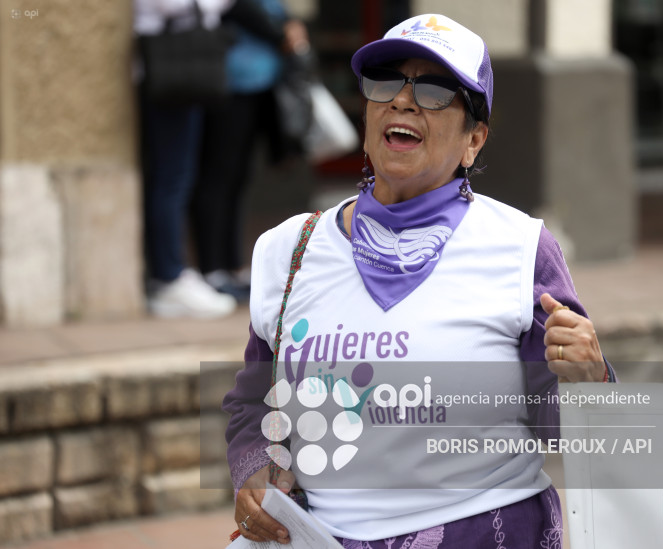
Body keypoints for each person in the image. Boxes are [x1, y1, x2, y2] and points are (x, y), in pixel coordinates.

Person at [223, 13, 615, 547]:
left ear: (473, 140)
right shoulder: (289, 249)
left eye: (434, 90)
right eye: (386, 83)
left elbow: (569, 432)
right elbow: (253, 399)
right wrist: (252, 469)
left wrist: (590, 381)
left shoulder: (519, 249)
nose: (403, 101)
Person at [190, 0, 310, 303]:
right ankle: (211, 269)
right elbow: (237, 8)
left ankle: (232, 266)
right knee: (217, 176)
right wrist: (281, 34)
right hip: (229, 84)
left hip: (262, 83)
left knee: (239, 177)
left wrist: (291, 24)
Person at [135, 0, 237, 318]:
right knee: (172, 177)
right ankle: (168, 277)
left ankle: (169, 273)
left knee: (175, 175)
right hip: (170, 65)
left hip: (175, 63)